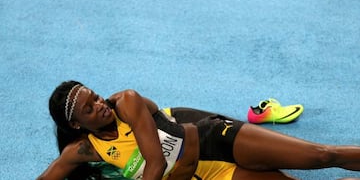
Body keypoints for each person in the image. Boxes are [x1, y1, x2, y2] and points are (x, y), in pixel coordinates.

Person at [37, 81, 360, 180]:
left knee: (321, 155)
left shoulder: (126, 103)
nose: (99, 103)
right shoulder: (84, 151)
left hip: (215, 141)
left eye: (93, 95)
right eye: (90, 108)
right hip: (211, 175)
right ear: (76, 125)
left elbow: (156, 164)